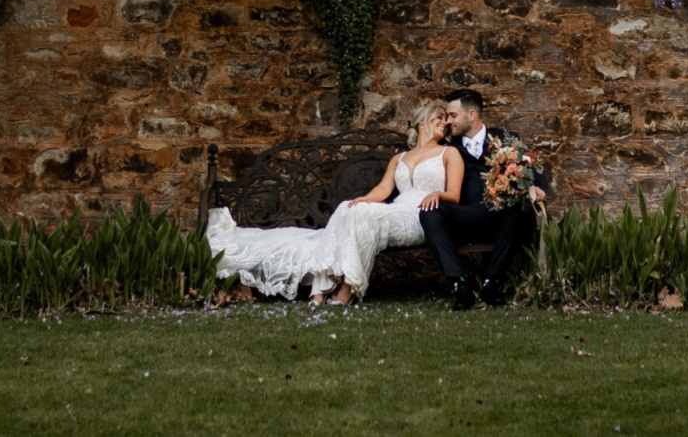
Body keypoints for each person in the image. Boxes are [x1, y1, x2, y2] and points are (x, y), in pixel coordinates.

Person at [205, 101, 461, 304]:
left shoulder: (449, 153)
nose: (445, 124)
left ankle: (345, 291)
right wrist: (364, 199)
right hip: (396, 209)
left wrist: (438, 194)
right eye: (439, 118)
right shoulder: (400, 157)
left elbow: (455, 194)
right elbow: (384, 189)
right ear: (421, 122)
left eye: (447, 123)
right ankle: (321, 289)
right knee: (348, 208)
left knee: (364, 217)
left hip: (422, 216)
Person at [418, 87, 548, 310]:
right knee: (429, 211)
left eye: (453, 115)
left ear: (472, 115)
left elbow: (533, 169)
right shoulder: (448, 148)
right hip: (464, 216)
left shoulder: (507, 139)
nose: (448, 121)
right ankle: (460, 286)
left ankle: (492, 282)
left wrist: (537, 187)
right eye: (447, 116)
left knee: (520, 207)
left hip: (499, 217)